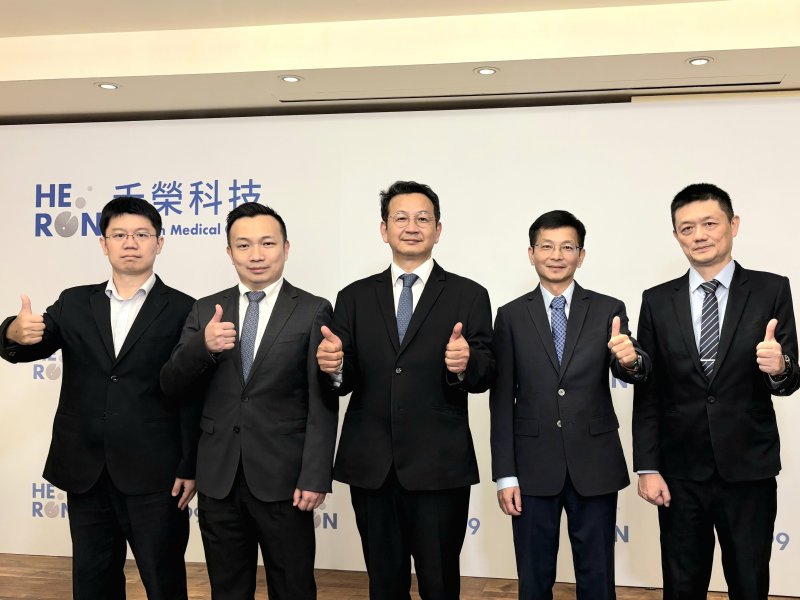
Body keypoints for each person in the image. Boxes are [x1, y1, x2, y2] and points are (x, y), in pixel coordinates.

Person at [0, 196, 199, 600]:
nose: (131, 243)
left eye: (142, 234)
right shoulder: (74, 302)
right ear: (103, 244)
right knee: (93, 583)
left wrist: (190, 464)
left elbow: (192, 394)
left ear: (159, 243)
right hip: (86, 469)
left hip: (155, 473)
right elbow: (30, 344)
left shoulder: (185, 309)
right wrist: (12, 332)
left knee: (163, 581)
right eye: (119, 234)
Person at [316, 180, 495, 600]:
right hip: (372, 466)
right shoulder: (354, 297)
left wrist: (466, 363)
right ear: (384, 229)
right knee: (384, 583)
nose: (411, 227)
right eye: (401, 218)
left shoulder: (469, 295)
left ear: (438, 229)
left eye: (422, 219)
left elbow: (486, 373)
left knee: (439, 583)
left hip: (439, 465)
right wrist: (335, 366)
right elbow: (345, 377)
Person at [160, 201, 337, 600]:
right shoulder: (206, 309)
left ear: (286, 249)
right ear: (229, 252)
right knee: (227, 588)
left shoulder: (312, 310)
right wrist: (202, 347)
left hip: (284, 478)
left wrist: (314, 475)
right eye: (243, 245)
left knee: (292, 586)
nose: (256, 255)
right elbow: (172, 384)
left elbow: (322, 401)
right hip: (218, 477)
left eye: (267, 243)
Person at [633, 183, 799, 599]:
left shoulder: (771, 290)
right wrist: (647, 466)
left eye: (710, 223)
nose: (699, 235)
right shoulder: (657, 300)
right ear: (676, 236)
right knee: (681, 586)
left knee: (749, 583)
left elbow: (789, 379)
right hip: (679, 471)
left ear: (733, 225)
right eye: (687, 228)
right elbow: (649, 393)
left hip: (748, 468)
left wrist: (780, 367)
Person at [490, 210, 649, 600]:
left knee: (597, 577)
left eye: (567, 247)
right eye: (546, 246)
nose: (556, 255)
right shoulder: (510, 316)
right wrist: (505, 475)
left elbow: (628, 367)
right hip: (531, 466)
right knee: (533, 577)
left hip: (595, 462)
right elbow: (501, 399)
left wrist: (630, 360)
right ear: (531, 253)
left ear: (581, 255)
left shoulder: (608, 309)